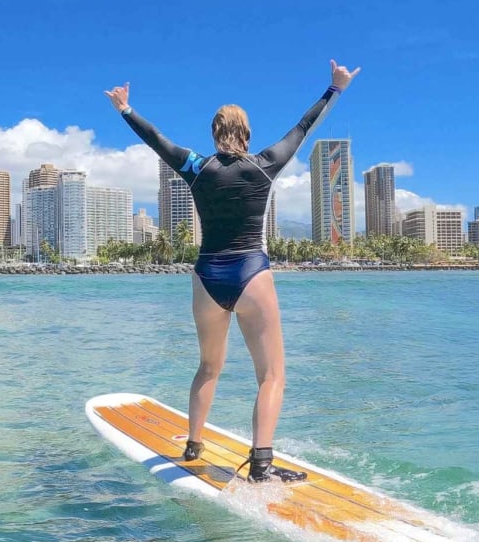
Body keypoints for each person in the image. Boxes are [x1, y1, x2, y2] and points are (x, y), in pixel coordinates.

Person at [106, 60, 360, 482]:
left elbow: (157, 140)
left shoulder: (196, 168)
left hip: (207, 277)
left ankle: (193, 444)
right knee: (272, 375)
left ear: (213, 133)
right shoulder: (265, 164)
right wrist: (335, 89)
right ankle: (261, 464)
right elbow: (303, 127)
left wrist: (125, 109)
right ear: (247, 134)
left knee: (208, 366)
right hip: (251, 274)